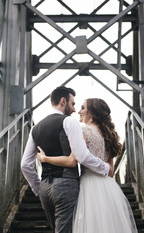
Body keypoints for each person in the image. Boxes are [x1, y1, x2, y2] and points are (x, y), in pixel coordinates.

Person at [37, 98, 138, 233]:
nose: (78, 111)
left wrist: (45, 158)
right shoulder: (110, 135)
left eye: (82, 108)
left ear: (91, 113)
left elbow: (71, 161)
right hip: (108, 188)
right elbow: (111, 171)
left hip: (88, 186)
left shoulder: (83, 131)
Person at [21, 87, 112, 233]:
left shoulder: (35, 128)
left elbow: (25, 164)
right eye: (73, 104)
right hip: (65, 185)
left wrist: (38, 187)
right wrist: (106, 168)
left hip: (44, 187)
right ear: (63, 101)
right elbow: (81, 156)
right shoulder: (69, 122)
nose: (74, 109)